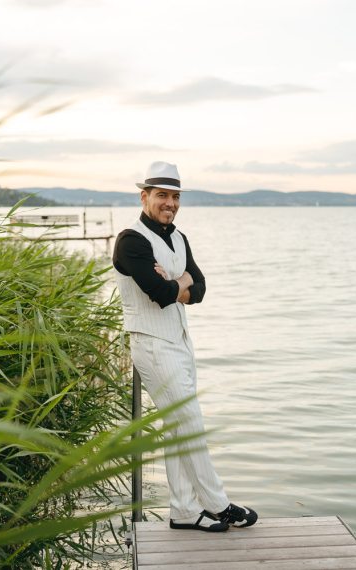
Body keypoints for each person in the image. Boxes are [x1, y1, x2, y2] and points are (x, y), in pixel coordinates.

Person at [113, 161, 258, 532]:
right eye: (162, 195)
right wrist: (182, 282)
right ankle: (218, 504)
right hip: (151, 343)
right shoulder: (131, 241)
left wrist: (175, 282)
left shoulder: (179, 238)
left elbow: (201, 288)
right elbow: (160, 294)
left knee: (178, 425)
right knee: (189, 421)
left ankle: (183, 510)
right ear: (144, 197)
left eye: (175, 197)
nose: (170, 203)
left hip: (180, 341)